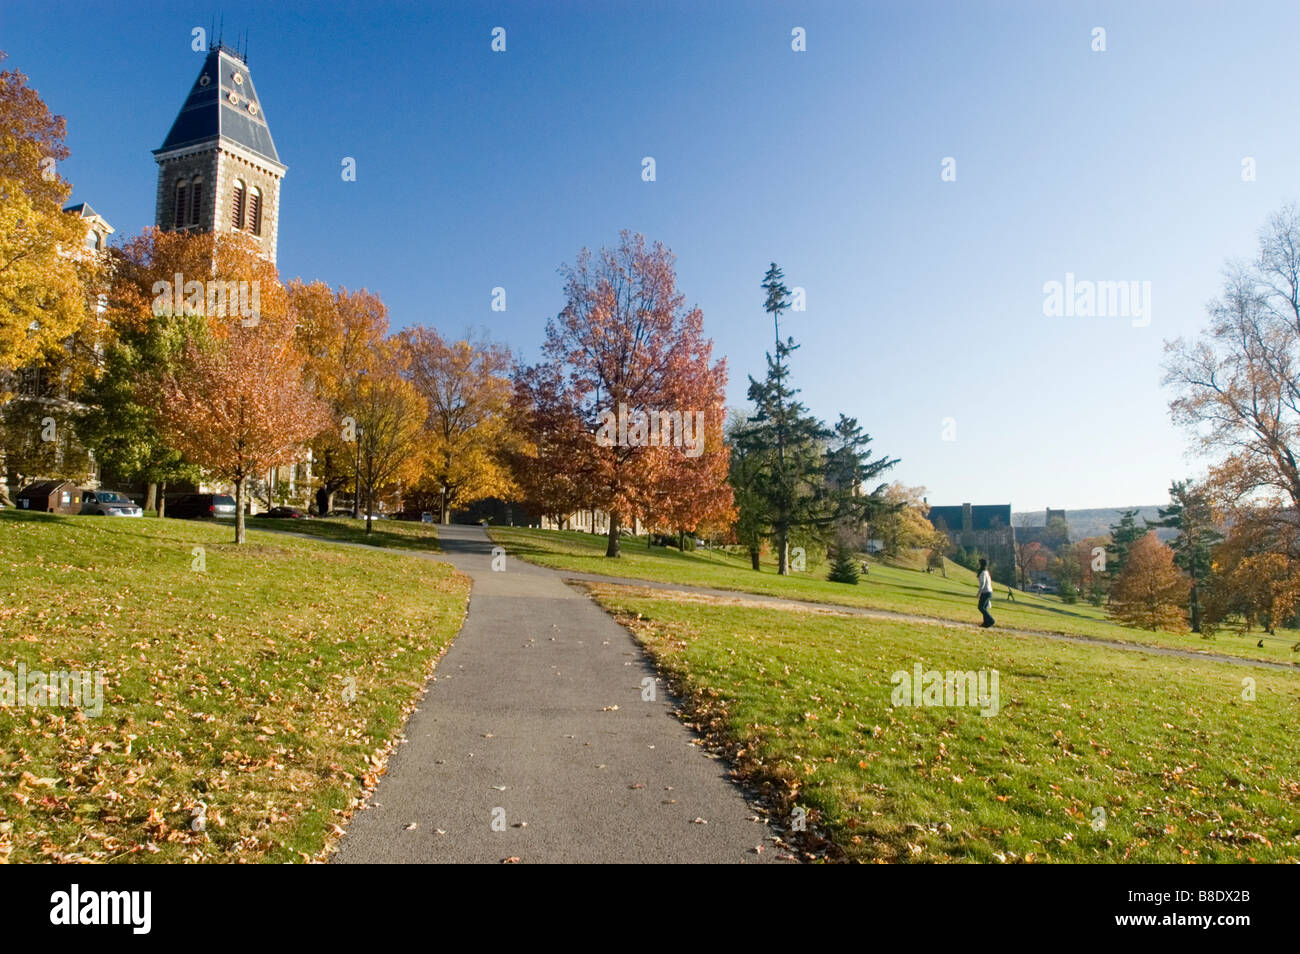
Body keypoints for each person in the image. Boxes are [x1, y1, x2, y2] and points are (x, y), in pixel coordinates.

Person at [977, 559, 995, 628]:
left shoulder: (983, 573)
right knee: (984, 607)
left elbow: (982, 583)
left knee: (980, 607)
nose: (978, 565)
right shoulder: (986, 572)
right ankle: (986, 623)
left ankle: (991, 620)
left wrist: (979, 593)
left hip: (986, 592)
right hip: (989, 592)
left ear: (981, 564)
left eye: (979, 563)